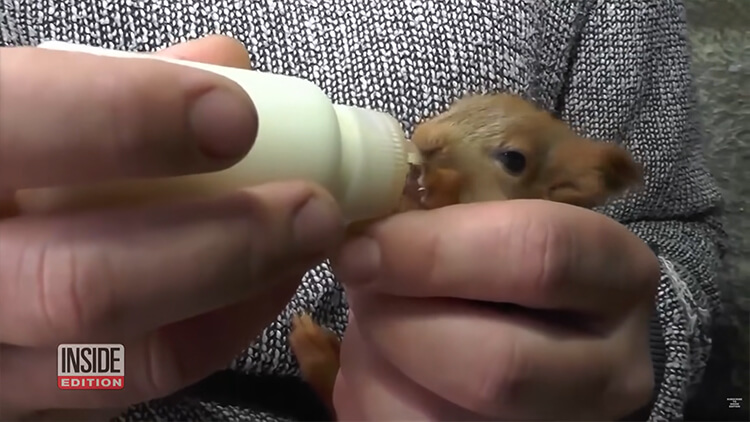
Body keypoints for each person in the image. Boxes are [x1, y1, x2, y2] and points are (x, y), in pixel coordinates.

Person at [0, 0, 724, 421]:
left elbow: (675, 234)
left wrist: (631, 354)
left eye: (506, 161)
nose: (427, 138)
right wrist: (54, 372)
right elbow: (100, 366)